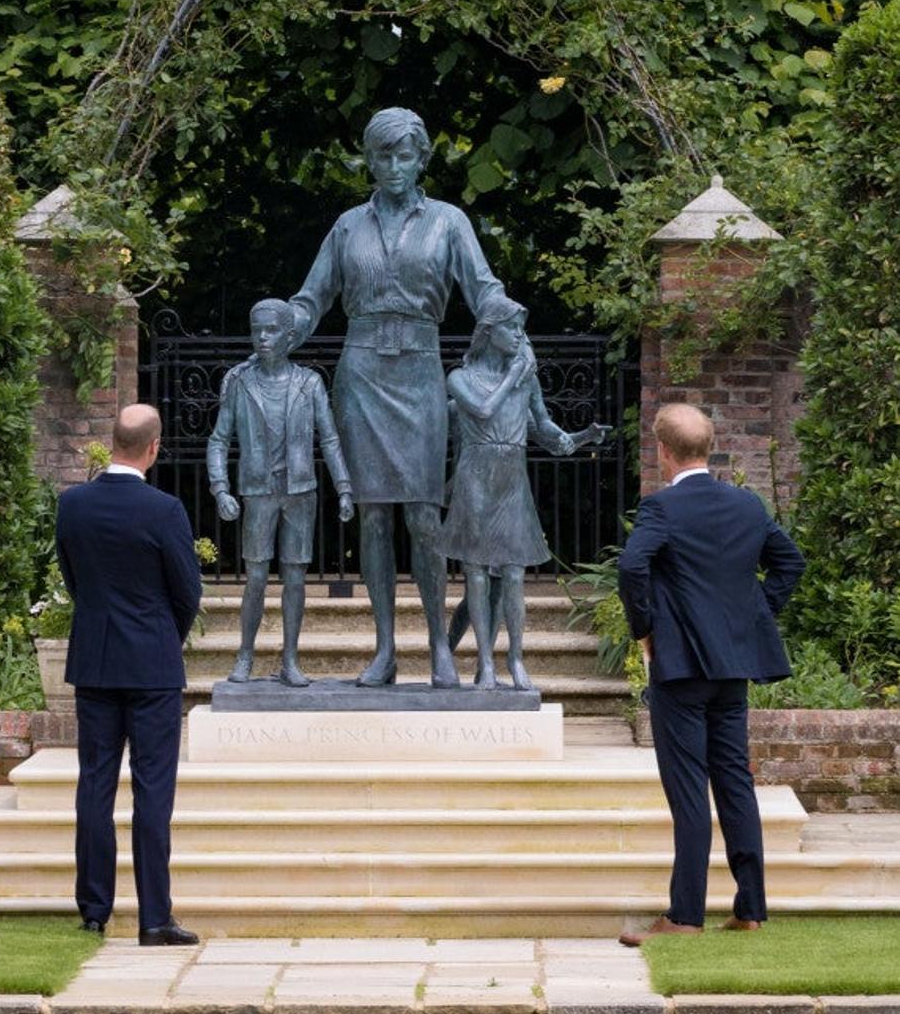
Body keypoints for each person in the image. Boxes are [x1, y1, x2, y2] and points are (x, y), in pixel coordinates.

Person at [289, 107, 505, 688]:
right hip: (360, 375)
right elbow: (313, 299)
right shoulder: (347, 227)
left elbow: (483, 289)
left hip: (419, 372)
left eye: (403, 155)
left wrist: (510, 326)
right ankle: (385, 650)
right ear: (369, 159)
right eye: (382, 155)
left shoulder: (449, 223)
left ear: (422, 158)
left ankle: (438, 644)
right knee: (374, 516)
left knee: (424, 515)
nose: (392, 166)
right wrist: (284, 324)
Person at [616, 402, 805, 946]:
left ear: (663, 451)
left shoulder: (661, 509)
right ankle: (750, 909)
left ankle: (684, 917)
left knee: (689, 792)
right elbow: (789, 562)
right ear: (708, 447)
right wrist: (754, 618)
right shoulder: (746, 505)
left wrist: (646, 630)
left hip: (680, 672)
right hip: (732, 670)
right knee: (734, 785)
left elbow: (632, 566)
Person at [56, 403, 202, 946]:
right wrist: (165, 635)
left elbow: (75, 580)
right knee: (152, 790)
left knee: (94, 783)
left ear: (111, 441)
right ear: (153, 448)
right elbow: (188, 591)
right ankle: (154, 919)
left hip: (95, 661)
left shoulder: (73, 505)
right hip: (153, 667)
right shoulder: (164, 511)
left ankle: (94, 910)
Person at [443, 293, 608, 689]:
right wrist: (514, 377)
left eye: (522, 328)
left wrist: (580, 437)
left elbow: (543, 427)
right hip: (475, 475)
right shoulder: (460, 378)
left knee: (514, 572)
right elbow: (482, 410)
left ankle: (515, 658)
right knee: (477, 574)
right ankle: (484, 663)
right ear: (488, 331)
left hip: (511, 476)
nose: (519, 336)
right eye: (511, 327)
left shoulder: (524, 378)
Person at [206, 298, 354, 686]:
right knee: (255, 577)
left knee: (296, 578)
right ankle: (245, 655)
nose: (263, 338)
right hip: (258, 491)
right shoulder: (240, 383)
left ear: (290, 337)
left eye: (271, 331)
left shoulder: (309, 383)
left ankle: (290, 659)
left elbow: (331, 439)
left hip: (300, 491)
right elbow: (219, 440)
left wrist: (343, 488)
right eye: (257, 331)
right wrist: (220, 489)